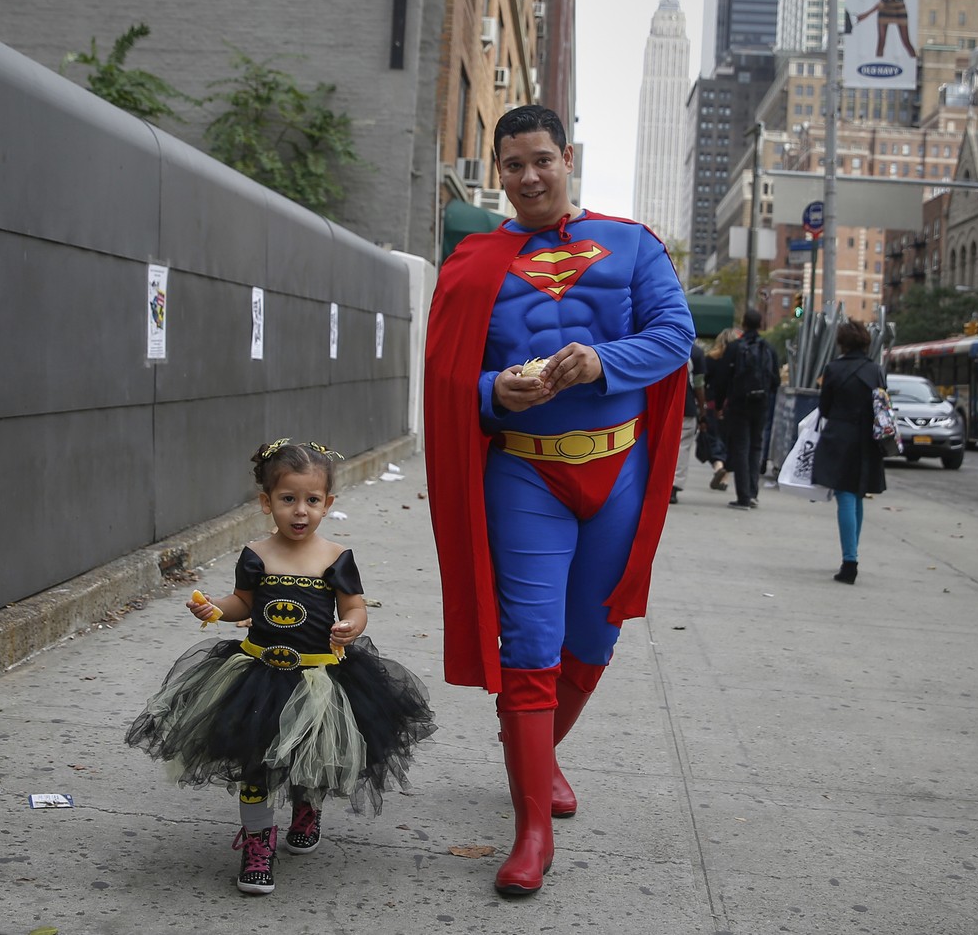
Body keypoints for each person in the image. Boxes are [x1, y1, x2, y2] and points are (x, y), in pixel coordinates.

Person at [422, 104, 693, 897]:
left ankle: (539, 761)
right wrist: (490, 388)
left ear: (566, 158)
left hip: (617, 471)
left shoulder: (635, 244)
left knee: (591, 640)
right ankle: (530, 828)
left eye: (541, 160)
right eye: (513, 166)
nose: (528, 177)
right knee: (531, 644)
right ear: (499, 171)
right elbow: (447, 379)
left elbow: (675, 335)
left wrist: (601, 360)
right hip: (525, 473)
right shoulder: (472, 262)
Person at [125, 439, 435, 895]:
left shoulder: (335, 558)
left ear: (328, 504)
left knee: (307, 754)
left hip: (319, 677)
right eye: (288, 500)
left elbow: (355, 606)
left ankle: (307, 807)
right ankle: (257, 843)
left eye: (312, 501)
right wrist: (216, 609)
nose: (300, 511)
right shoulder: (256, 554)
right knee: (255, 762)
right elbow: (243, 603)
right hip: (257, 674)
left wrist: (351, 624)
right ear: (266, 502)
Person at [810, 321, 887, 584]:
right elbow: (882, 405)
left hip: (840, 437)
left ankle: (849, 561)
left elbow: (825, 408)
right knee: (857, 495)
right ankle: (851, 553)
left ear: (842, 343)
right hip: (867, 439)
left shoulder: (833, 369)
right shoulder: (876, 371)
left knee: (844, 496)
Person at [717, 309, 778, 510]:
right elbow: (775, 380)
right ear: (761, 324)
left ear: (743, 324)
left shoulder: (735, 347)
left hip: (739, 403)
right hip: (761, 405)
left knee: (741, 447)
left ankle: (743, 496)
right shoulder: (768, 348)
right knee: (756, 447)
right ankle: (752, 493)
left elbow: (723, 378)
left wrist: (719, 405)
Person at [672, 340, 708, 503]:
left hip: (664, 406)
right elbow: (699, 384)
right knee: (682, 447)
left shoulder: (663, 345)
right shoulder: (697, 353)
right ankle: (674, 486)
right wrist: (702, 409)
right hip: (687, 406)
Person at [702, 328, 737, 491]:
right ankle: (725, 478)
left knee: (713, 437)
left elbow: (703, 382)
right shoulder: (739, 358)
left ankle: (718, 466)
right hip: (732, 406)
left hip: (711, 404)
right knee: (729, 440)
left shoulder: (711, 358)